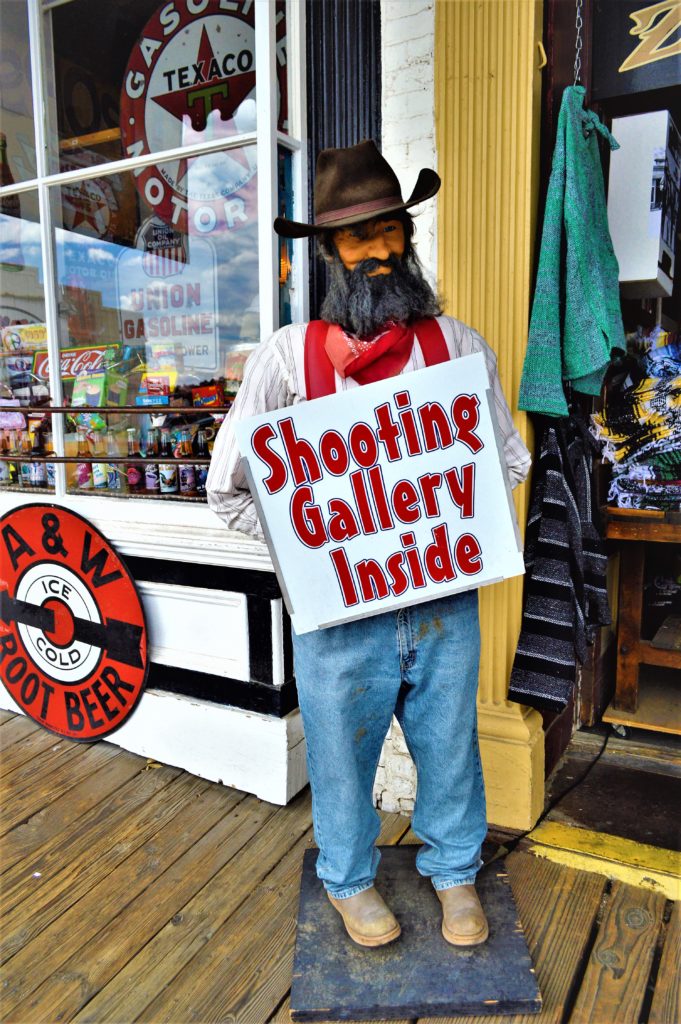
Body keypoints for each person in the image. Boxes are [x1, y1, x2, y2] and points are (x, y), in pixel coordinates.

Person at [207, 140, 530, 949]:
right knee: (342, 759)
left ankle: (455, 872)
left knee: (449, 745)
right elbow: (229, 487)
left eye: (392, 229)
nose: (382, 249)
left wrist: (456, 521)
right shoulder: (284, 360)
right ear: (328, 251)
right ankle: (348, 882)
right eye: (360, 236)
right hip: (338, 617)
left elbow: (508, 462)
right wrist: (309, 561)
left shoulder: (457, 347)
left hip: (440, 602)